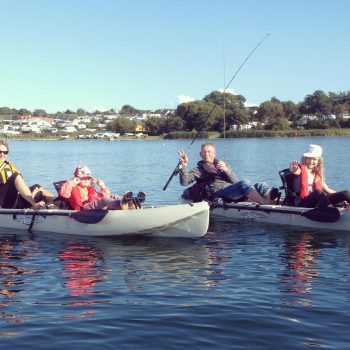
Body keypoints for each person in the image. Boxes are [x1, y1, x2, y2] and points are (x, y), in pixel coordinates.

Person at [178, 143, 277, 205]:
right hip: (219, 193)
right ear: (200, 154)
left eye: (209, 152)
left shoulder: (223, 164)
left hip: (232, 190)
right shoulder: (198, 170)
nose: (206, 154)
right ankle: (265, 203)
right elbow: (185, 182)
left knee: (261, 184)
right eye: (203, 152)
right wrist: (184, 166)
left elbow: (235, 181)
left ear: (214, 153)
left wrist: (226, 170)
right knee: (245, 183)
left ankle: (272, 198)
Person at [289, 144, 350, 209]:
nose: (311, 161)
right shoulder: (300, 169)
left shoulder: (317, 175)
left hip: (318, 201)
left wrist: (343, 201)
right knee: (318, 192)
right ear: (305, 159)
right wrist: (293, 170)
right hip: (304, 203)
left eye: (314, 159)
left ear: (318, 161)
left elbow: (328, 190)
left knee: (346, 193)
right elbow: (295, 172)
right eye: (309, 158)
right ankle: (331, 210)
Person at [0, 140, 46, 209]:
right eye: (0, 152)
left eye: (5, 152)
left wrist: (32, 194)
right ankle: (33, 204)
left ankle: (55, 205)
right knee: (16, 176)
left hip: (13, 199)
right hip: (3, 204)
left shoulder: (10, 166)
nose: (2, 154)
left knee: (37, 187)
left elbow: (19, 187)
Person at [59, 165, 125, 210]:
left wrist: (102, 186)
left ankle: (129, 202)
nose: (86, 180)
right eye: (83, 179)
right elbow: (64, 194)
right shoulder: (73, 186)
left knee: (113, 196)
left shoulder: (89, 188)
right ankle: (120, 205)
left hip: (93, 204)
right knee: (104, 200)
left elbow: (106, 196)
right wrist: (71, 182)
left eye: (88, 178)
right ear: (77, 179)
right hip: (84, 208)